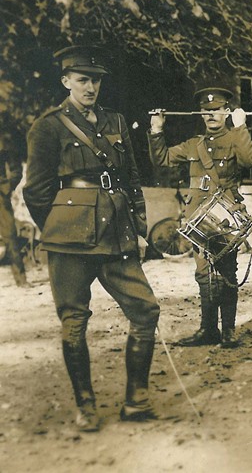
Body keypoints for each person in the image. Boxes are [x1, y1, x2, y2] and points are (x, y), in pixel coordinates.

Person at [23, 45, 161, 430]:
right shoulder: (48, 126)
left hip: (116, 233)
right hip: (69, 240)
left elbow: (131, 179)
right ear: (66, 81)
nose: (90, 87)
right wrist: (59, 224)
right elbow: (35, 191)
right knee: (73, 321)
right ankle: (85, 406)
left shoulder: (114, 120)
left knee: (146, 309)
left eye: (96, 80)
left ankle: (136, 400)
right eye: (82, 80)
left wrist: (140, 227)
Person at [149, 87, 252, 348]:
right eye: (206, 111)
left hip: (224, 215)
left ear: (226, 112)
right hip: (198, 217)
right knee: (203, 272)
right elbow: (161, 159)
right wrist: (156, 130)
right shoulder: (193, 145)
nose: (211, 115)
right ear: (201, 114)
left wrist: (241, 127)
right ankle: (208, 329)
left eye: (216, 110)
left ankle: (228, 331)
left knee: (227, 271)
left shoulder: (234, 138)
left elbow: (250, 160)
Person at [0, 137, 28, 287]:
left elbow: (16, 168)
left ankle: (21, 279)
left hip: (0, 196)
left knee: (10, 235)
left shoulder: (4, 141)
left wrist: (7, 187)